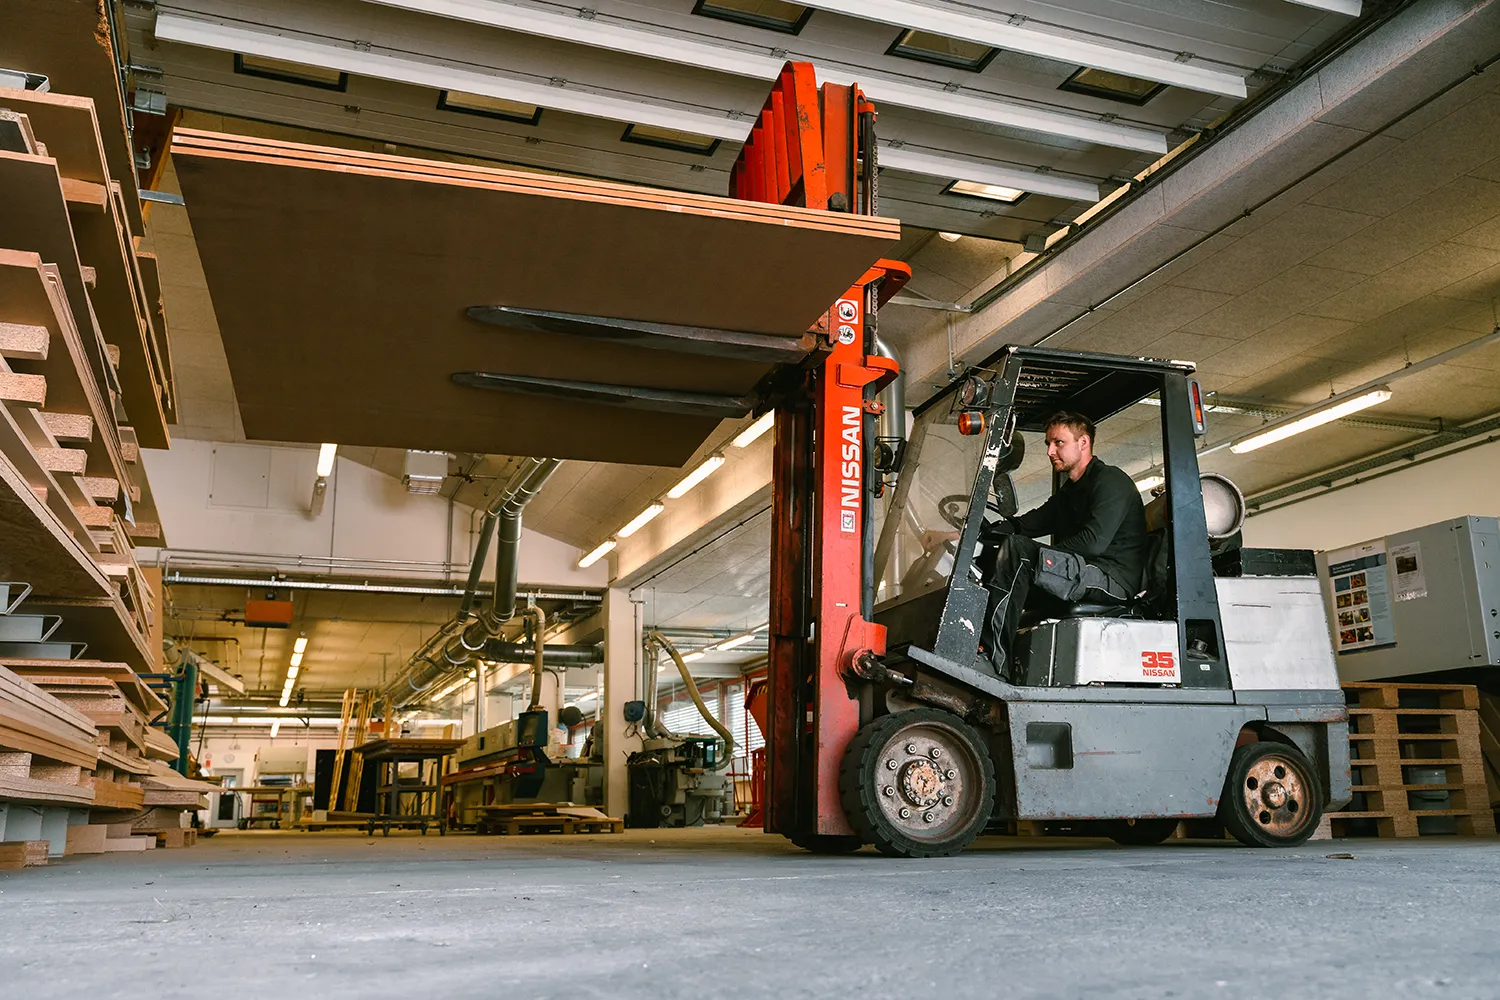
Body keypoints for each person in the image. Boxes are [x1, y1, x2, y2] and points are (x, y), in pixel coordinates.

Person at [980, 411, 1149, 674]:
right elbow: (1026, 524)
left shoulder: (1110, 481)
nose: (1050, 451)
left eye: (1058, 442)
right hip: (1081, 572)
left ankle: (995, 664)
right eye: (1048, 443)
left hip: (1111, 578)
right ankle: (978, 649)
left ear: (1083, 443)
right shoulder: (1070, 492)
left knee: (1019, 552)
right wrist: (982, 533)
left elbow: (1093, 544)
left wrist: (1043, 558)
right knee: (994, 560)